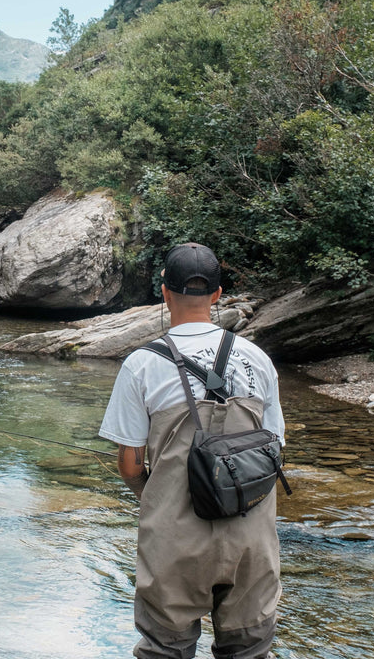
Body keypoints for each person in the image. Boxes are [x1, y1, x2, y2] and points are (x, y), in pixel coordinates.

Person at [99, 242, 285, 659]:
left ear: (164, 292)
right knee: (250, 649)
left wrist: (161, 502)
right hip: (250, 537)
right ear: (218, 295)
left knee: (166, 648)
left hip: (174, 540)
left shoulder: (141, 364)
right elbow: (275, 451)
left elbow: (130, 466)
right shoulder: (257, 358)